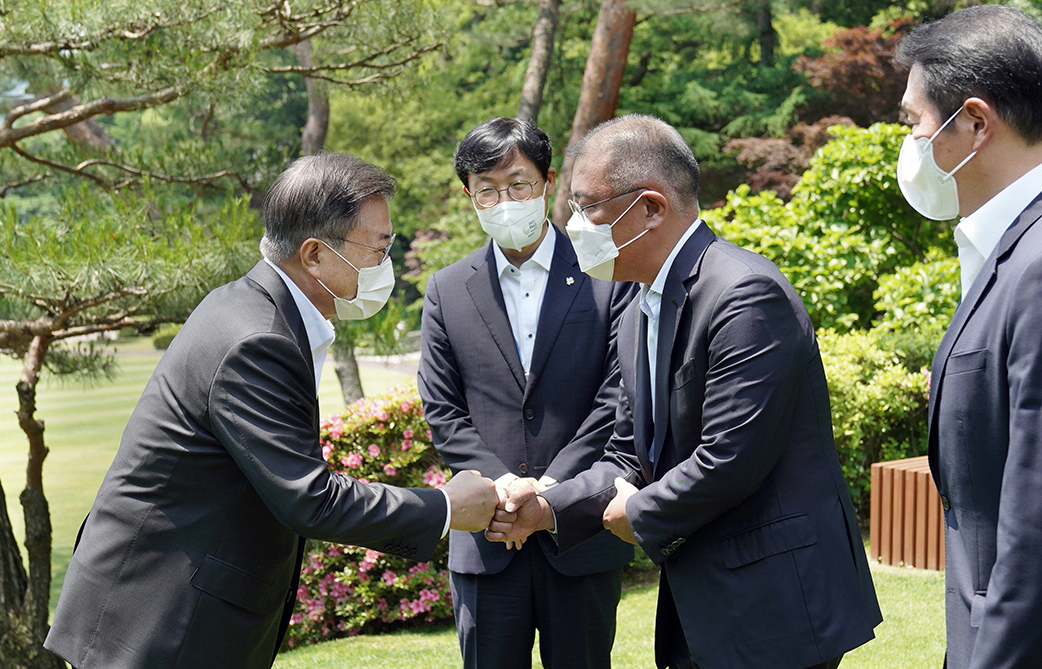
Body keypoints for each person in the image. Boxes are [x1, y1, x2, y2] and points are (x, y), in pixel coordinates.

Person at [44, 153, 499, 669]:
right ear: (314, 254)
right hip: (157, 624)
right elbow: (310, 500)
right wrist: (445, 508)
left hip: (161, 612)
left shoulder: (252, 306)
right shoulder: (257, 338)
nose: (385, 262)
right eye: (379, 246)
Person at [487, 114, 881, 669]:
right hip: (704, 600)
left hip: (774, 603)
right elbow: (629, 453)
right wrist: (549, 507)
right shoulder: (636, 306)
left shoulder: (743, 294)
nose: (574, 225)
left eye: (587, 206)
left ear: (650, 207)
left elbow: (730, 458)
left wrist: (638, 513)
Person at [418, 117, 636, 668]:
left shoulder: (606, 275)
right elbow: (444, 411)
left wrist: (550, 490)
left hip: (579, 535)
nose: (504, 201)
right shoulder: (447, 289)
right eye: (486, 190)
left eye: (518, 184)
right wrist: (505, 485)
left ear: (548, 182)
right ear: (469, 195)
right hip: (486, 540)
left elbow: (617, 397)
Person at [894, 6, 1042, 667]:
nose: (912, 142)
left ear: (976, 123)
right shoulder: (1006, 252)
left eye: (914, 121)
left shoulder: (1036, 267)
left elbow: (1032, 530)